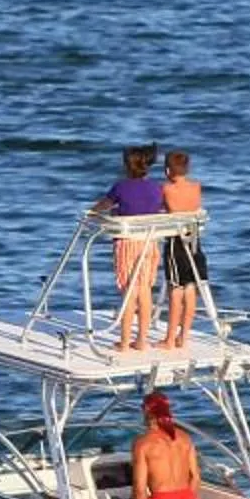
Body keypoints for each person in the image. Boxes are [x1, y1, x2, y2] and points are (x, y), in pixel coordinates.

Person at [94, 144, 166, 353]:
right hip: (149, 243)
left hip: (127, 244)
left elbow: (101, 207)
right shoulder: (156, 188)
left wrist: (95, 212)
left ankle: (124, 342)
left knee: (129, 293)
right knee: (144, 292)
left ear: (127, 166)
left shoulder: (120, 187)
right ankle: (141, 340)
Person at [159, 148, 208, 352]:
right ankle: (183, 336)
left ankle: (170, 339)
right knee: (190, 289)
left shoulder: (166, 189)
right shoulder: (196, 187)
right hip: (195, 241)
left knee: (175, 291)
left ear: (168, 171)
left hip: (176, 242)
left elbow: (161, 208)